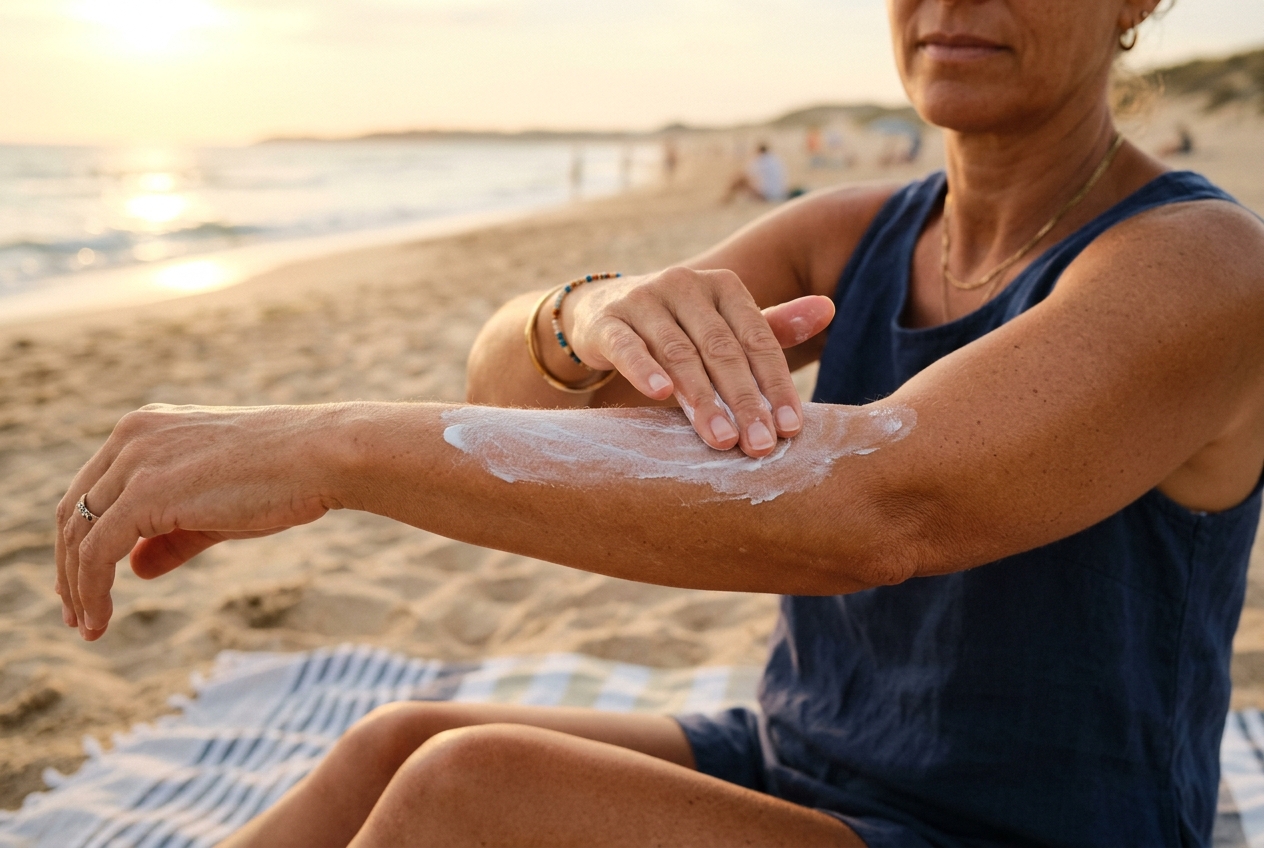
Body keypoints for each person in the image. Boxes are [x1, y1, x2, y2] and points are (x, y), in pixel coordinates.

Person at [53, 0, 1264, 845]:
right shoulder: (848, 233)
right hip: (806, 760)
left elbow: (878, 507)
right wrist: (584, 313)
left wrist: (328, 447)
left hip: (1026, 826)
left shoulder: (1197, 265)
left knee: (477, 789)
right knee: (397, 735)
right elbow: (509, 397)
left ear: (1133, 0)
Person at [724, 142, 790, 203]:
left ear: (759, 151)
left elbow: (745, 173)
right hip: (780, 193)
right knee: (745, 181)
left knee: (740, 181)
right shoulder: (775, 158)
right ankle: (727, 199)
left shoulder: (761, 160)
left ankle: (726, 199)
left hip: (769, 195)